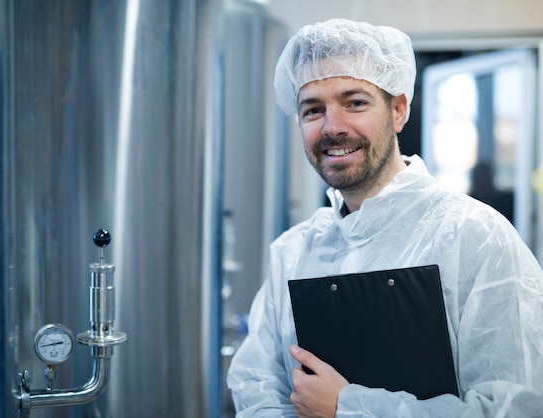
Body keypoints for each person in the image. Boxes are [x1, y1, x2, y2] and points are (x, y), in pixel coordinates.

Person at [227, 18, 543, 417]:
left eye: (354, 102)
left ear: (398, 110)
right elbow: (257, 389)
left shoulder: (474, 236)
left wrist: (349, 408)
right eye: (312, 110)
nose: (332, 127)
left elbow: (516, 407)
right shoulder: (293, 252)